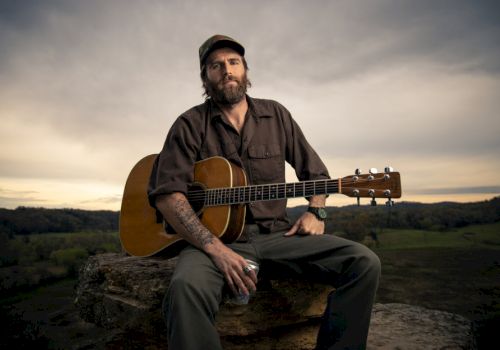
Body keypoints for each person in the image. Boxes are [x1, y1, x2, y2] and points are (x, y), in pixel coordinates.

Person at [148, 34, 381, 350]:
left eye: (234, 62)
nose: (227, 70)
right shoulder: (189, 124)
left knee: (364, 262)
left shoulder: (276, 115)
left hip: (279, 237)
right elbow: (167, 195)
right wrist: (216, 250)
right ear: (205, 77)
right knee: (184, 288)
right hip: (214, 241)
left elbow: (316, 174)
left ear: (245, 70)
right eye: (216, 66)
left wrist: (317, 211)